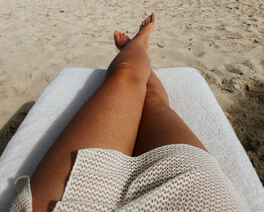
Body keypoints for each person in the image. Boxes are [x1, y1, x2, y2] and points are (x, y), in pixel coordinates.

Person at [10, 13, 250, 211]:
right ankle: (141, 44)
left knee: (124, 74)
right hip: (194, 197)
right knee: (150, 97)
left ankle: (138, 46)